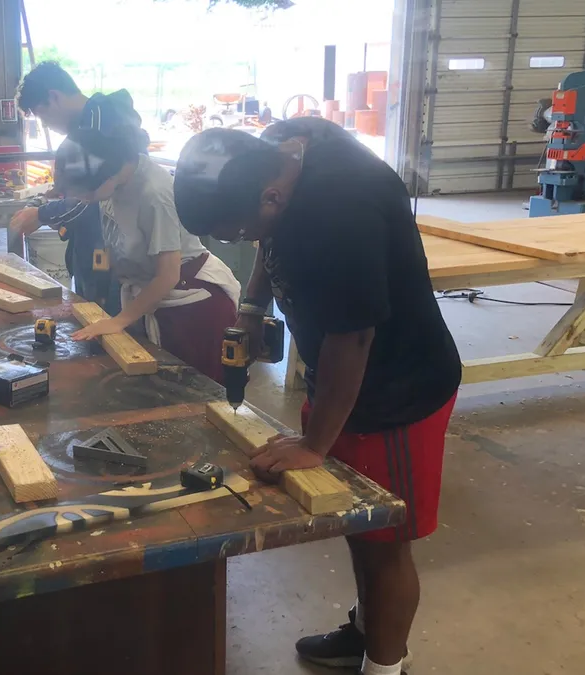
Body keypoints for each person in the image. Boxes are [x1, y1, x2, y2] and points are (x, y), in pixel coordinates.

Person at [172, 118, 463, 675]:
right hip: (342, 379)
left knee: (386, 541)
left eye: (235, 231)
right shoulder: (285, 146)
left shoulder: (342, 212)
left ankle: (385, 667)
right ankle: (364, 631)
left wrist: (313, 444)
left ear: (272, 196)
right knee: (361, 530)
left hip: (395, 390)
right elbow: (267, 240)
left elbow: (353, 338)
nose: (239, 242)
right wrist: (253, 305)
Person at [56, 128, 240, 384]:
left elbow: (168, 274)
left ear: (107, 173)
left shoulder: (153, 192)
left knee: (193, 394)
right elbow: (108, 243)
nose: (83, 199)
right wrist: (99, 291)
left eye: (86, 192)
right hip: (149, 296)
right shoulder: (113, 183)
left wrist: (119, 320)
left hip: (192, 303)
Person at [10, 61, 150, 313]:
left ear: (54, 97)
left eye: (43, 116)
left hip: (109, 251)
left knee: (102, 316)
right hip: (94, 245)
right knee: (89, 312)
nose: (47, 125)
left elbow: (93, 196)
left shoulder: (101, 126)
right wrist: (55, 198)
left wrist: (42, 214)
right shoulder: (88, 128)